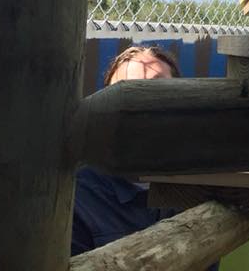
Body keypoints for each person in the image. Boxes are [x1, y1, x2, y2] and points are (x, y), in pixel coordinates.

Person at [71, 45, 219, 270]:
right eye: (127, 92)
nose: (144, 104)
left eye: (159, 90)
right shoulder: (79, 201)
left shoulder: (203, 186)